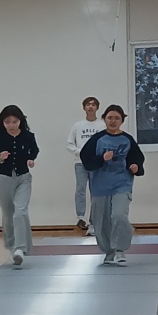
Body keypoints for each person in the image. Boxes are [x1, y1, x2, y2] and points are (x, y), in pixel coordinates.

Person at [79, 105, 145, 266]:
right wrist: (102, 158)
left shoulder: (127, 139)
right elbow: (86, 160)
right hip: (100, 186)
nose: (113, 121)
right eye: (110, 118)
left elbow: (137, 158)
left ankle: (120, 249)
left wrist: (136, 167)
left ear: (122, 120)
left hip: (122, 184)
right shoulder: (97, 139)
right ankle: (109, 252)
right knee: (101, 223)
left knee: (119, 216)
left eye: (117, 118)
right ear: (104, 119)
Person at [0, 105, 39, 267]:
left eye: (14, 121)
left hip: (23, 178)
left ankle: (20, 248)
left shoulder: (28, 136)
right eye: (7, 122)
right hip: (4, 179)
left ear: (20, 121)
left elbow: (35, 150)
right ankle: (12, 247)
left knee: (20, 211)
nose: (11, 125)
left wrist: (31, 159)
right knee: (8, 214)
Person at [66, 96, 102, 234]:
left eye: (93, 104)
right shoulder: (78, 126)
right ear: (84, 107)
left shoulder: (102, 125)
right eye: (88, 104)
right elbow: (69, 144)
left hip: (96, 163)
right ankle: (80, 217)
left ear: (97, 107)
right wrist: (81, 152)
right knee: (80, 189)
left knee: (95, 191)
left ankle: (94, 220)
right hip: (80, 163)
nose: (90, 107)